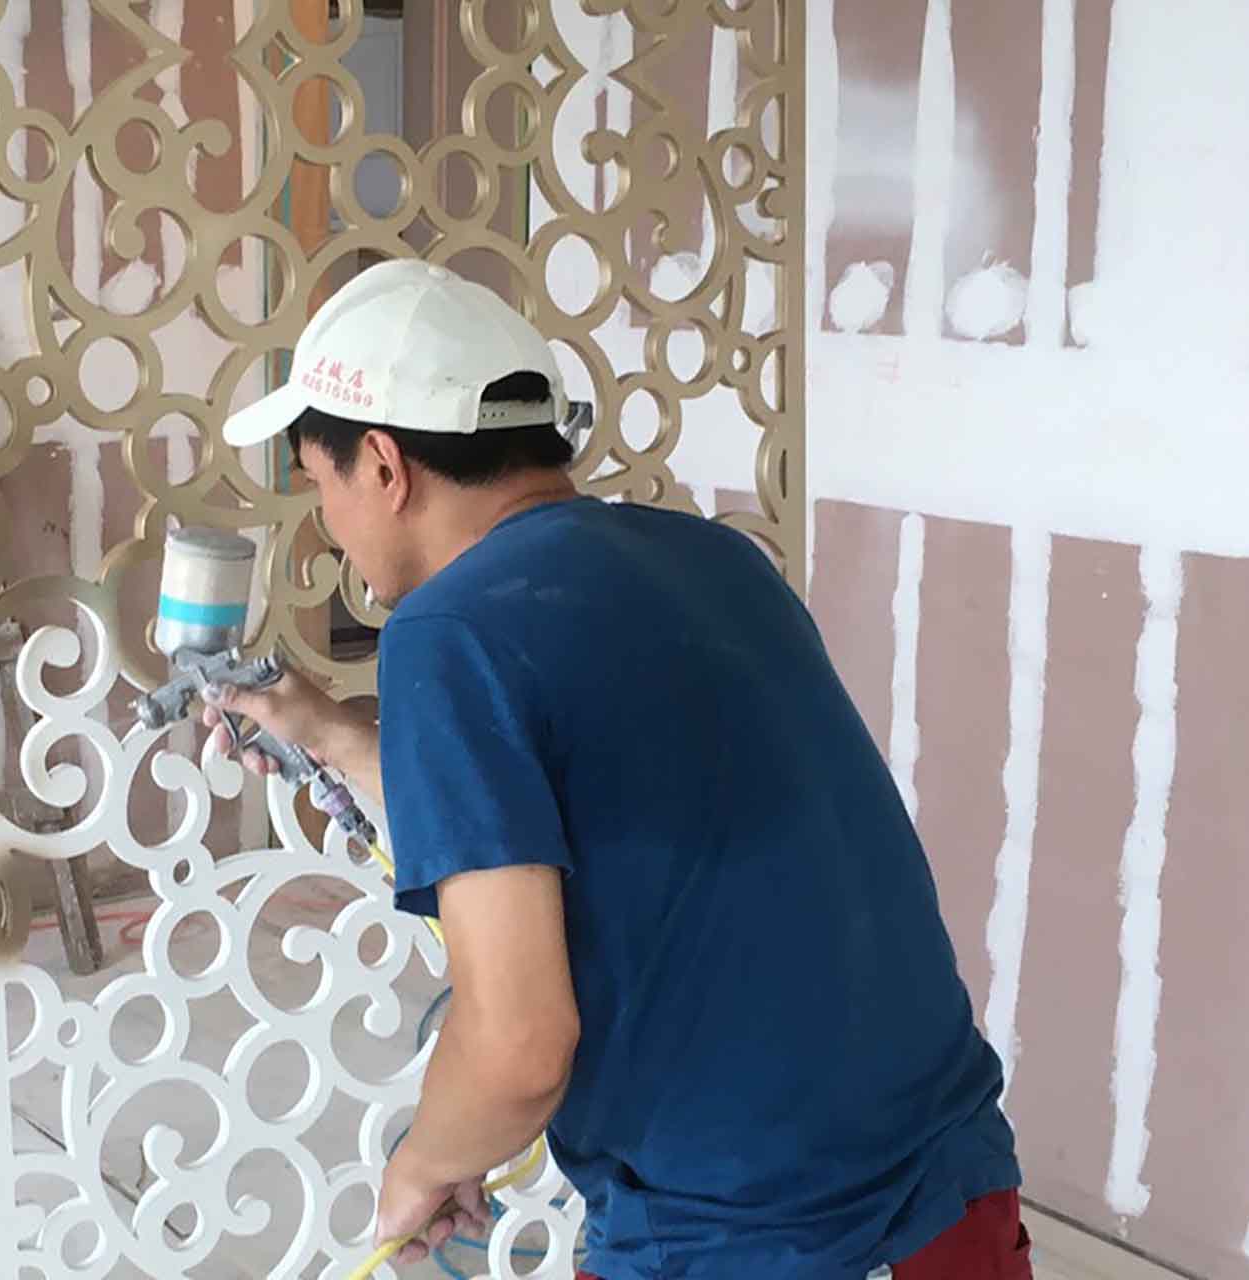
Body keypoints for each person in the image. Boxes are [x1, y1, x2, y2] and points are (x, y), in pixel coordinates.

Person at [205, 259, 1029, 1280]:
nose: (329, 520)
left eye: (319, 482)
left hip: (736, 1231)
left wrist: (427, 1160)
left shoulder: (447, 630)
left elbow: (518, 1047)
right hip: (952, 1182)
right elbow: (587, 810)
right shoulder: (715, 560)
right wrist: (330, 733)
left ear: (383, 465)